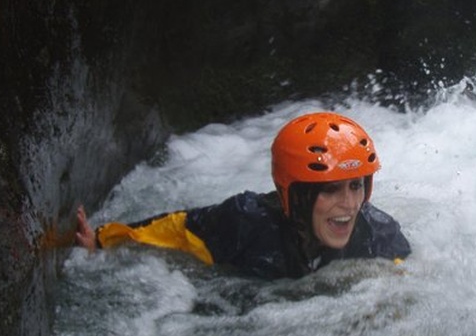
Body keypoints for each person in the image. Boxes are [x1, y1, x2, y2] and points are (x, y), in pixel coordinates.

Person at [75, 111, 411, 279]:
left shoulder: (379, 236)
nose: (350, 204)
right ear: (293, 194)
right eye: (330, 189)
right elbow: (178, 229)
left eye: (356, 186)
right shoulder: (244, 222)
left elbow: (412, 296)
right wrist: (105, 239)